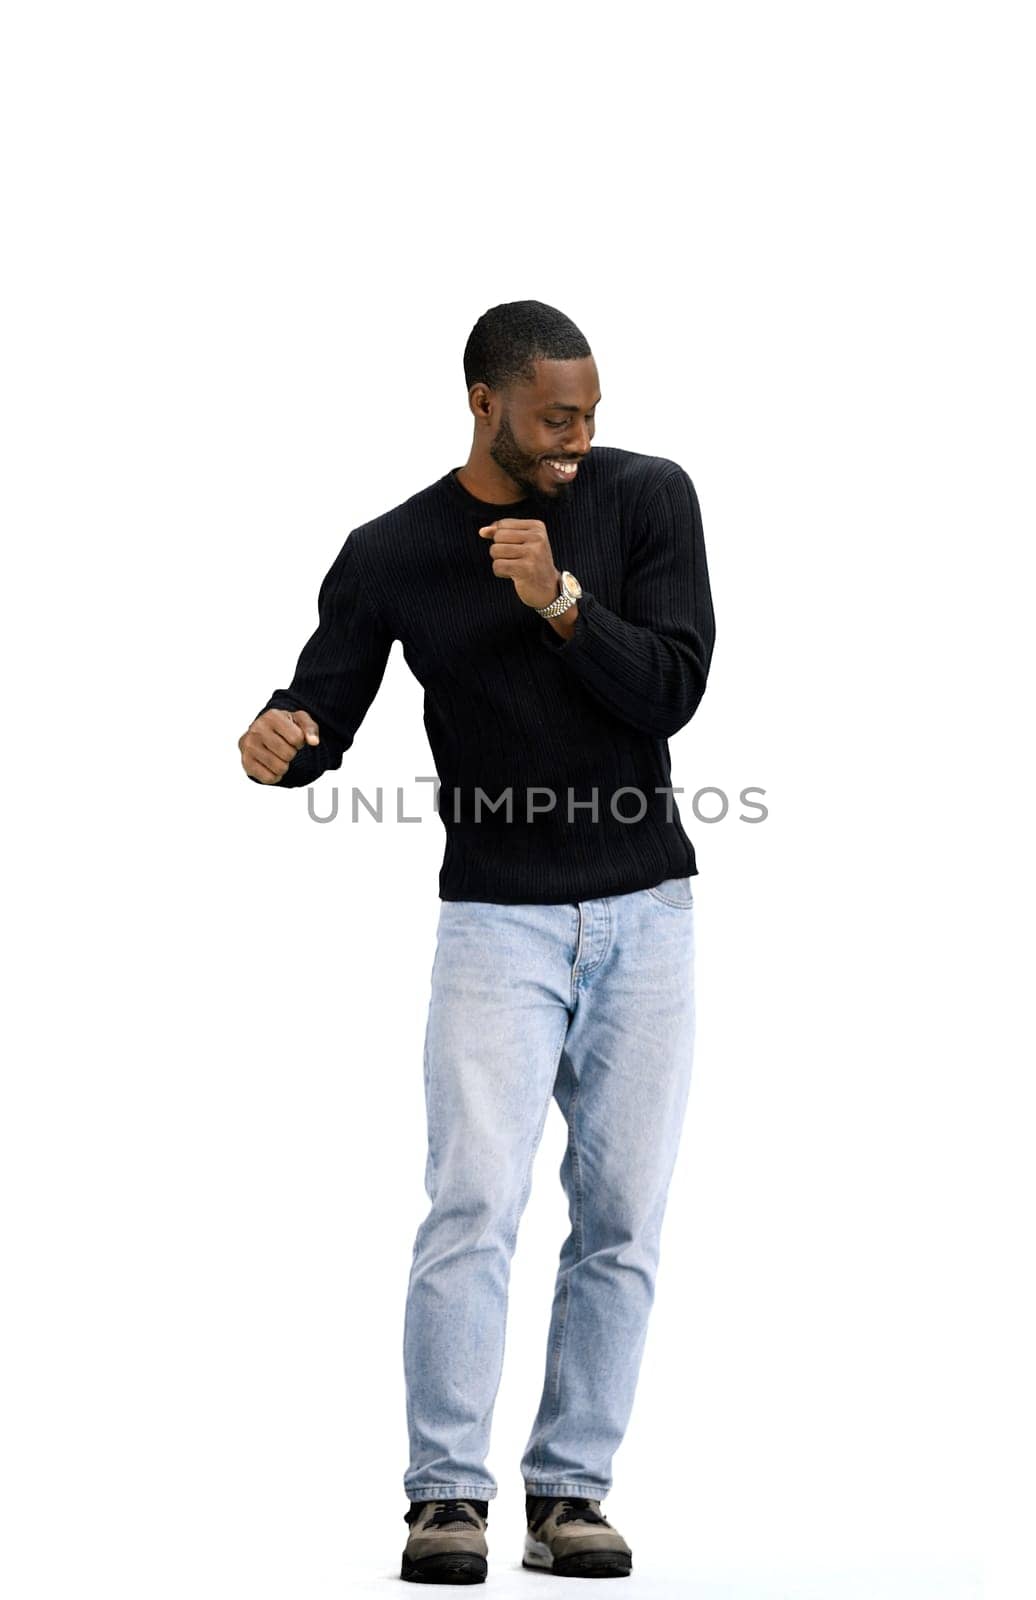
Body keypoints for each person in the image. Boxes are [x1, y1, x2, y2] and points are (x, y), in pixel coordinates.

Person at [238, 300, 716, 1582]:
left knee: (619, 1215)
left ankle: (569, 1494)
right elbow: (322, 706)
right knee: (472, 1207)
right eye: (557, 418)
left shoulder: (646, 499)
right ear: (483, 401)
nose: (579, 439)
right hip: (494, 921)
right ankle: (444, 1498)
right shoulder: (392, 549)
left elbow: (670, 684)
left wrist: (559, 599)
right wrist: (280, 742)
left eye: (590, 416)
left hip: (644, 913)